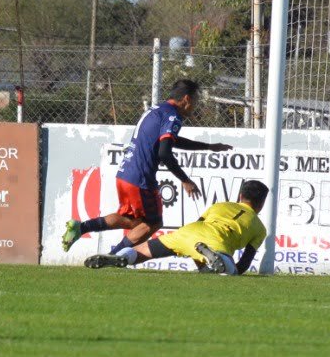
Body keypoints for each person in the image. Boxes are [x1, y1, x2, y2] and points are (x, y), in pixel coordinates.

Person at [60, 78, 232, 254]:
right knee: (153, 223)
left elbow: (172, 141)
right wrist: (185, 180)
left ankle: (80, 228)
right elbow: (164, 153)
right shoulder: (173, 116)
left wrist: (208, 147)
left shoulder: (157, 110)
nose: (195, 106)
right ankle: (113, 257)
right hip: (141, 178)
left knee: (131, 220)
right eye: (195, 101)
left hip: (126, 174)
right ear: (186, 99)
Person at [84, 180, 268, 276]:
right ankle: (218, 259)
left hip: (188, 232)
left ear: (240, 195)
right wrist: (231, 270)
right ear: (262, 204)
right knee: (231, 271)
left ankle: (122, 256)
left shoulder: (220, 205)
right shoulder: (259, 228)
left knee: (141, 252)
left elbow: (198, 226)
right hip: (215, 241)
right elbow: (244, 263)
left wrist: (198, 258)